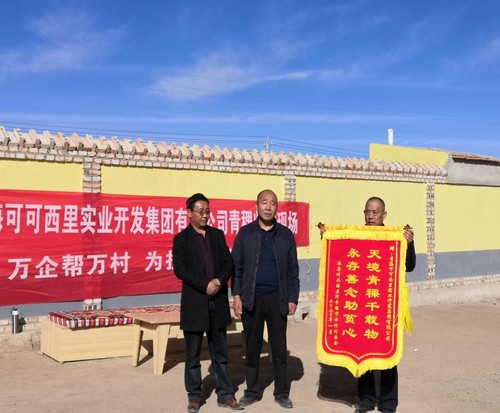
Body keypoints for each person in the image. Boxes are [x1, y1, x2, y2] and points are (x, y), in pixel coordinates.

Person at [173, 193, 243, 413]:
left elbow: (228, 263)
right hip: (195, 304)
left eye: (207, 211)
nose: (205, 215)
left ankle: (225, 394)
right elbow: (180, 269)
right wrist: (205, 285)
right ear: (189, 213)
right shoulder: (181, 239)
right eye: (200, 211)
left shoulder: (217, 235)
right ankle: (194, 396)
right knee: (192, 355)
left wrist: (219, 281)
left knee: (220, 353)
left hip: (217, 302)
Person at [232, 189, 300, 409]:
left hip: (277, 298)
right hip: (252, 298)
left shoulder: (285, 235)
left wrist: (292, 297)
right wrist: (237, 295)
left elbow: (293, 270)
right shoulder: (246, 234)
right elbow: (237, 267)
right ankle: (252, 391)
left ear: (277, 208)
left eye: (272, 203)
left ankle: (281, 392)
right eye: (264, 202)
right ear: (256, 206)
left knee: (279, 349)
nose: (268, 207)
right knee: (252, 349)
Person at [354, 196, 416, 413]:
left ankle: (388, 402)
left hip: (386, 304)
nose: (371, 216)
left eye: (375, 212)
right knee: (363, 352)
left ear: (384, 215)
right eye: (367, 212)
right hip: (363, 302)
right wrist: (328, 237)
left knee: (388, 353)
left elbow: (409, 266)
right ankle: (366, 400)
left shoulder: (395, 237)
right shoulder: (356, 236)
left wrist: (409, 244)